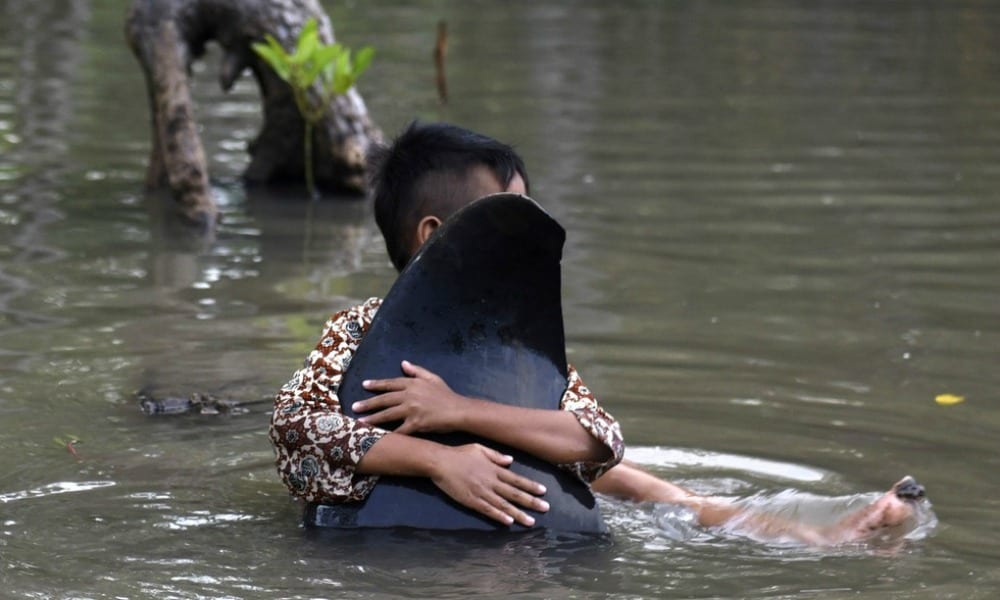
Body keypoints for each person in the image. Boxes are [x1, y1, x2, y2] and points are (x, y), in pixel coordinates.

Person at [270, 121, 927, 545]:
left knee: (646, 488)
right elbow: (295, 434)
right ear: (435, 237)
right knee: (642, 488)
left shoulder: (518, 349)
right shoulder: (358, 330)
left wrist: (458, 410)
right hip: (393, 545)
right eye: (507, 221)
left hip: (524, 548)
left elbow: (601, 441)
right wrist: (440, 459)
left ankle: (820, 534)